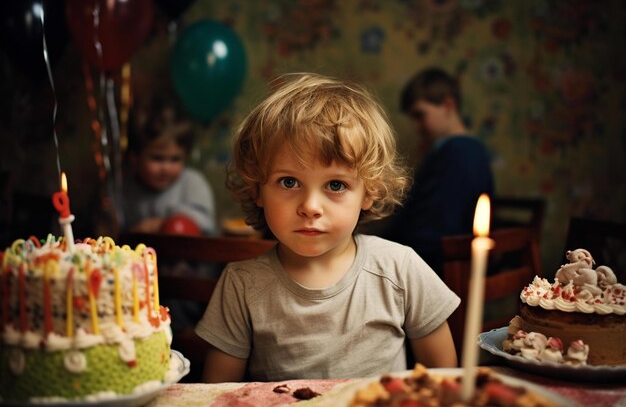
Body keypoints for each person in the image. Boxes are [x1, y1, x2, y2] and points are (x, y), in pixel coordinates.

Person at [195, 73, 461, 383]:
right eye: (289, 182)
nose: (310, 206)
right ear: (257, 190)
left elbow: (444, 380)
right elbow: (217, 395)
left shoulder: (400, 269)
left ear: (369, 191)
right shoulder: (241, 286)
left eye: (335, 184)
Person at [378, 67, 494, 276]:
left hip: (437, 265)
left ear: (448, 105)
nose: (417, 126)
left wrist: (386, 249)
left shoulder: (461, 152)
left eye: (420, 115)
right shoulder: (449, 150)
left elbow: (439, 226)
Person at [121, 95, 218, 235]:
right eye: (157, 158)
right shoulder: (122, 187)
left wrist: (164, 224)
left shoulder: (193, 183)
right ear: (135, 157)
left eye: (175, 159)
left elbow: (208, 225)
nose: (166, 168)